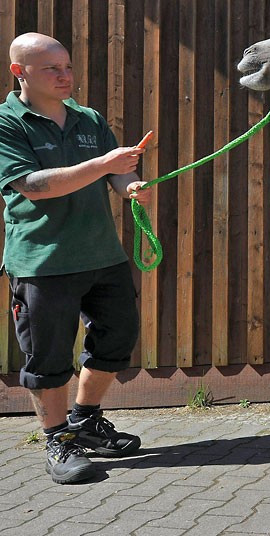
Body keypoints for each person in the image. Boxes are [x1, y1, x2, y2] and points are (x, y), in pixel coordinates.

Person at [0, 33, 152, 484]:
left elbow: (120, 175)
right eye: (52, 69)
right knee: (47, 358)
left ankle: (85, 420)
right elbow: (36, 185)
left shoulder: (88, 119)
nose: (66, 76)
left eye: (67, 66)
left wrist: (130, 188)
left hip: (102, 255)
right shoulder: (8, 123)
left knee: (117, 339)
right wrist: (106, 164)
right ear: (19, 71)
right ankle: (58, 439)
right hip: (42, 262)